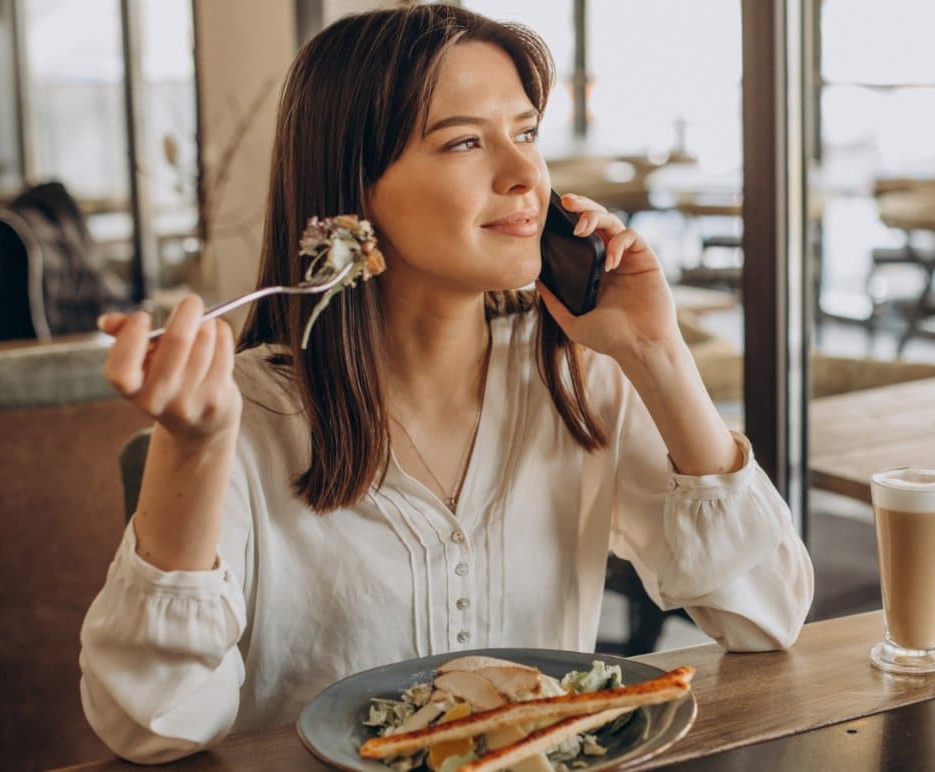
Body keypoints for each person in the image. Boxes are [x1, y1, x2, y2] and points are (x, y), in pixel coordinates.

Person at [79, 4, 813, 764]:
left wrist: (659, 354)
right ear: (352, 194)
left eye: (525, 133)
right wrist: (193, 446)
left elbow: (768, 614)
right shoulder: (247, 417)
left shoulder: (578, 375)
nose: (525, 173)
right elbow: (152, 726)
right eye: (465, 141)